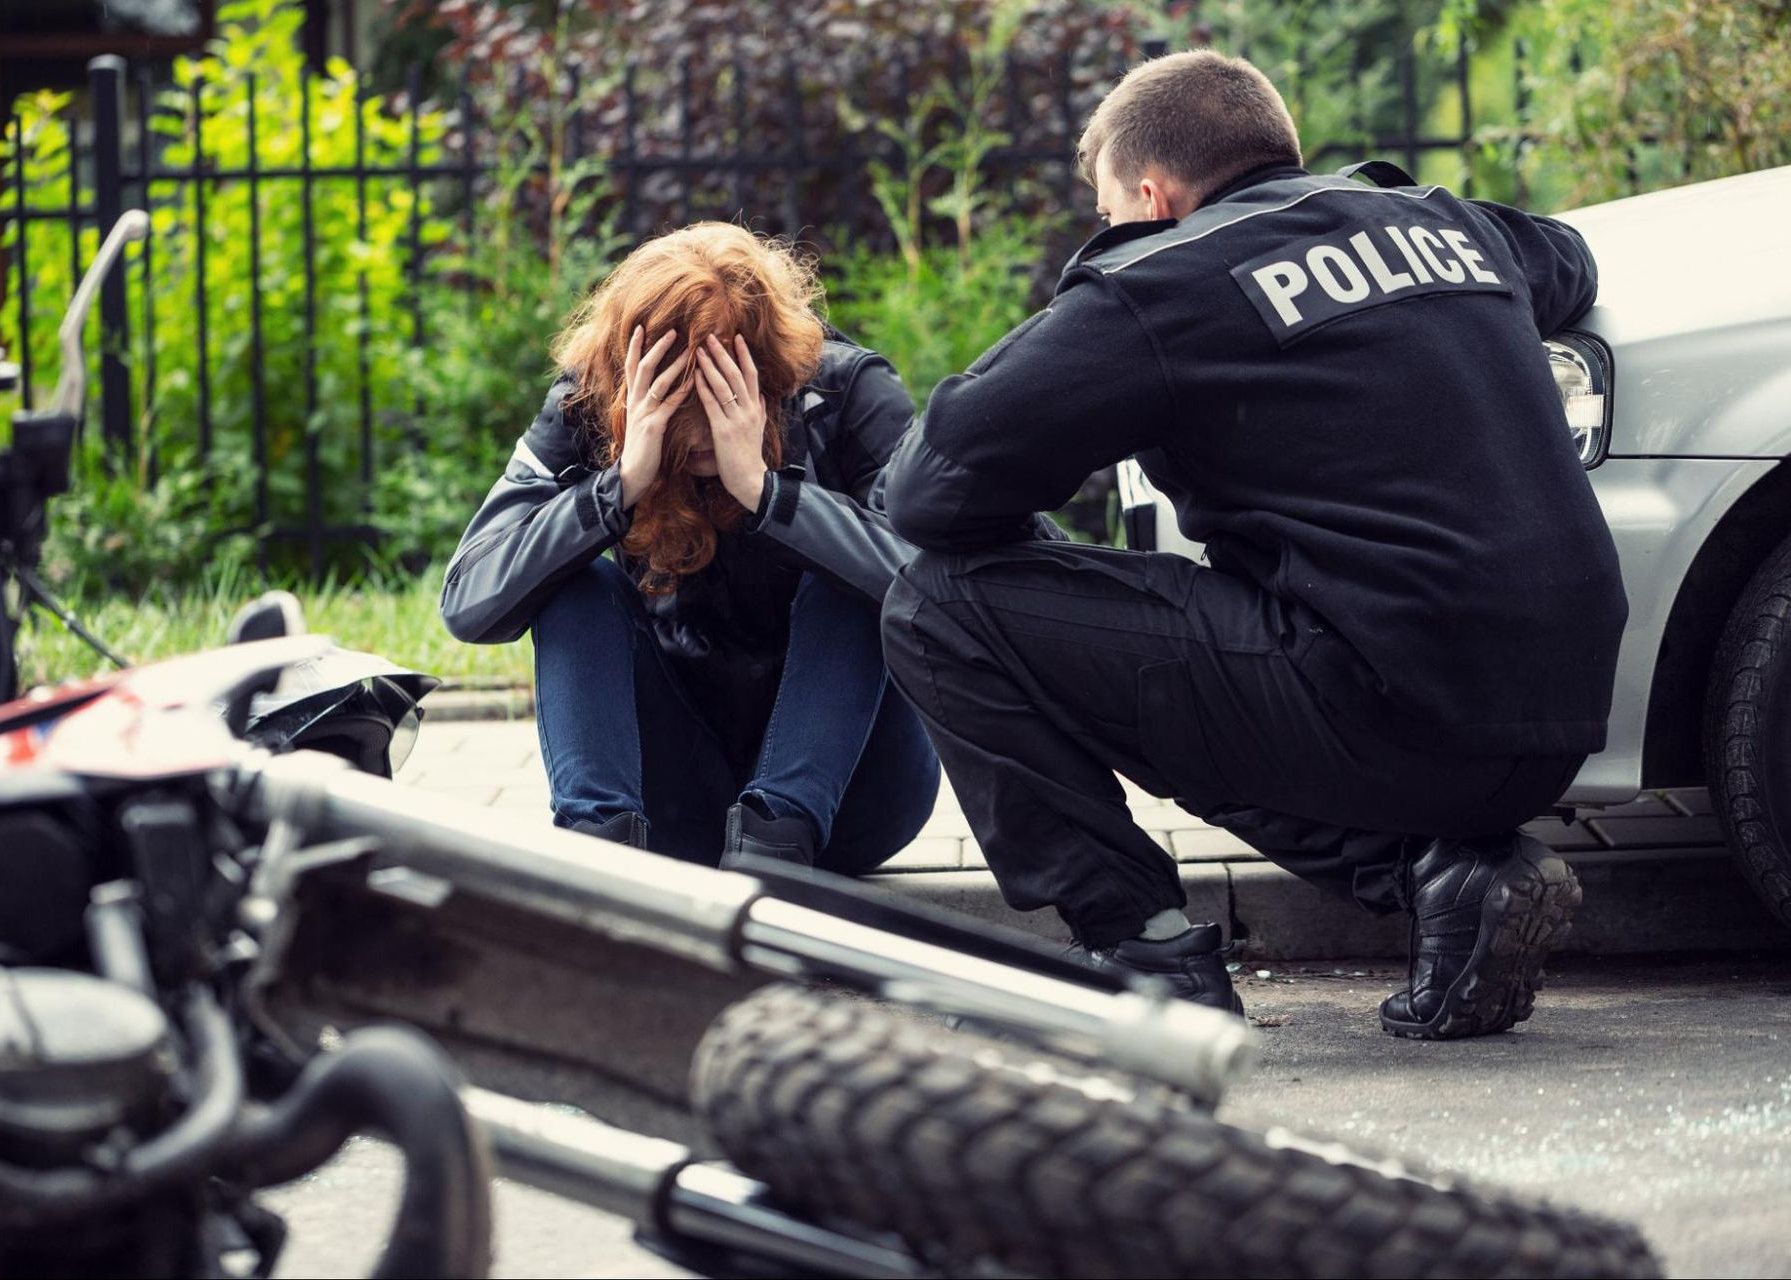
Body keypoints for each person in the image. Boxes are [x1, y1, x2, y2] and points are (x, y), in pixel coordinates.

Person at [878, 50, 1626, 1039]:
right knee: (1239, 666)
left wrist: (1102, 303)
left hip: (1386, 713)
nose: (1108, 232)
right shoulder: (1444, 223)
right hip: (1561, 721)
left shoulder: (1167, 276)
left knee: (934, 606)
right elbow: (1569, 260)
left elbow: (931, 493)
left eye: (1107, 213)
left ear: (1152, 195)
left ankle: (1144, 954)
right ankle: (1445, 879)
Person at [442, 222, 939, 872]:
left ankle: (775, 842)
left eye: (722, 392)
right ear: (633, 380)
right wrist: (616, 489)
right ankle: (599, 856)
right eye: (679, 400)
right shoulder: (585, 407)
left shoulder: (848, 392)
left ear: (769, 371)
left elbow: (931, 584)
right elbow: (469, 602)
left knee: (851, 573)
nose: (702, 429)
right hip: (681, 799)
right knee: (575, 583)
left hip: (855, 800)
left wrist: (768, 496)